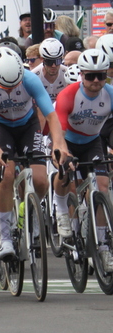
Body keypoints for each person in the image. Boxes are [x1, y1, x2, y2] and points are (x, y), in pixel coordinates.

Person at [0, 47, 69, 260]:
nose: (9, 90)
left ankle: (31, 214)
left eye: (14, 84)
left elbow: (52, 116)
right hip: (1, 127)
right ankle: (6, 237)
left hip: (28, 125)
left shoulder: (30, 80)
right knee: (6, 175)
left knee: (40, 180)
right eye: (4, 86)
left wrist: (59, 145)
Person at [53, 49, 113, 271]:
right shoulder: (69, 95)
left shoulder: (110, 94)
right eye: (90, 76)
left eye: (101, 75)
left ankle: (103, 246)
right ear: (82, 75)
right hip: (67, 140)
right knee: (69, 180)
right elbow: (57, 130)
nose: (96, 81)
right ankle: (64, 214)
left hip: (93, 142)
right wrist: (64, 154)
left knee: (102, 187)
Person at [30, 38, 68, 103]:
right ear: (42, 59)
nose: (54, 66)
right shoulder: (33, 76)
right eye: (49, 62)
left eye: (57, 61)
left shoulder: (67, 73)